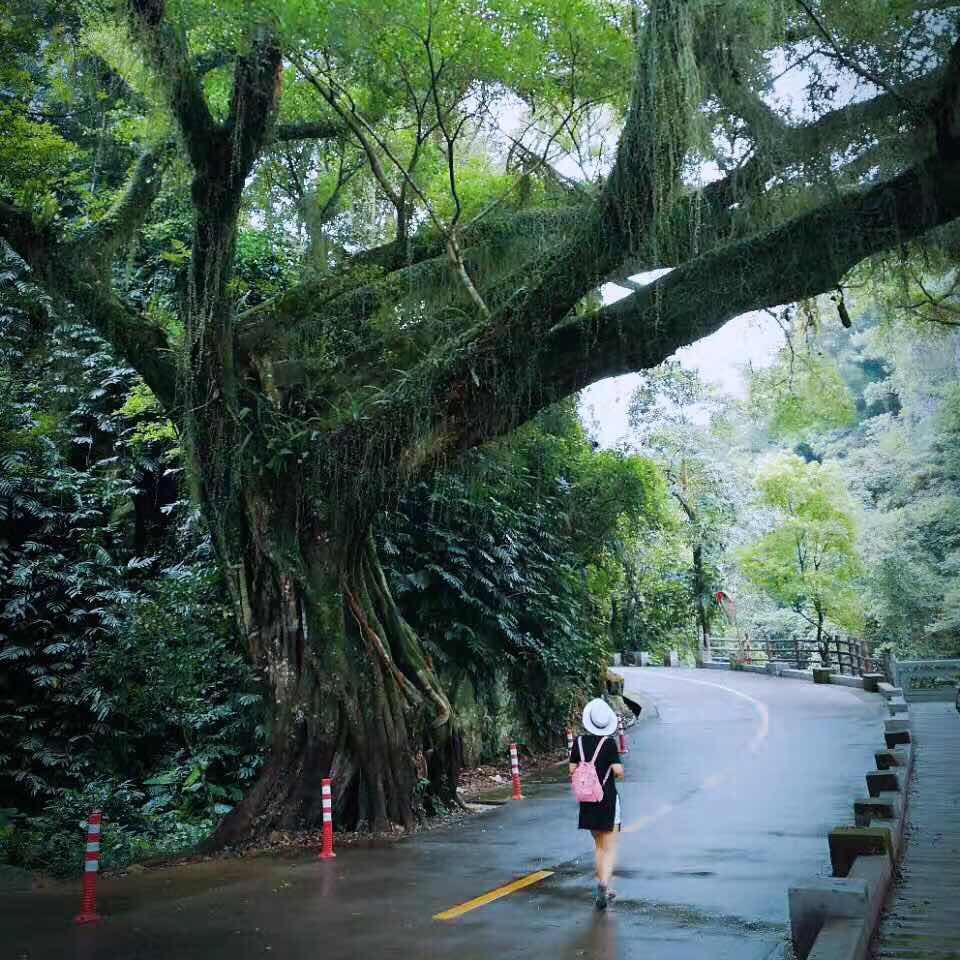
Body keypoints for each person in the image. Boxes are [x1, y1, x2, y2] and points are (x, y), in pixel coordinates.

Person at [569, 697, 624, 910]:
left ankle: (603, 886)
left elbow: (572, 770)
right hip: (607, 799)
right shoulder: (609, 743)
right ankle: (604, 884)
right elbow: (618, 772)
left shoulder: (579, 742)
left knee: (599, 846)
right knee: (610, 847)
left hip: (587, 800)